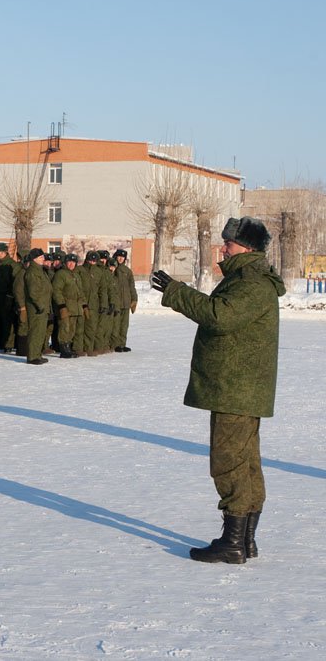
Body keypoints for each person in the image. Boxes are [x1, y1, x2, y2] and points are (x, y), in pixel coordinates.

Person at [152, 216, 284, 564]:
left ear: (247, 248)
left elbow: (219, 316)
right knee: (245, 463)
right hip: (238, 387)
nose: (223, 249)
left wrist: (174, 291)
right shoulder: (245, 278)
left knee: (230, 464)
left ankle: (234, 542)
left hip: (236, 389)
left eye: (229, 244)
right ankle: (245, 540)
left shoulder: (251, 282)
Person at [19, 248, 52, 365]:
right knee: (35, 332)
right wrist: (40, 305)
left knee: (41, 332)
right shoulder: (32, 272)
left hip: (43, 307)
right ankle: (32, 356)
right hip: (36, 308)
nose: (43, 259)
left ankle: (37, 354)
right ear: (34, 259)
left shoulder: (40, 271)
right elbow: (33, 292)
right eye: (41, 257)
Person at [112, 248, 137, 352]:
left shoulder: (127, 271)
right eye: (119, 256)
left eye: (122, 257)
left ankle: (122, 343)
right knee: (116, 325)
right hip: (116, 302)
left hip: (126, 302)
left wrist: (134, 299)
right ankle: (115, 344)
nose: (120, 259)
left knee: (124, 325)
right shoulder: (112, 268)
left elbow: (132, 286)